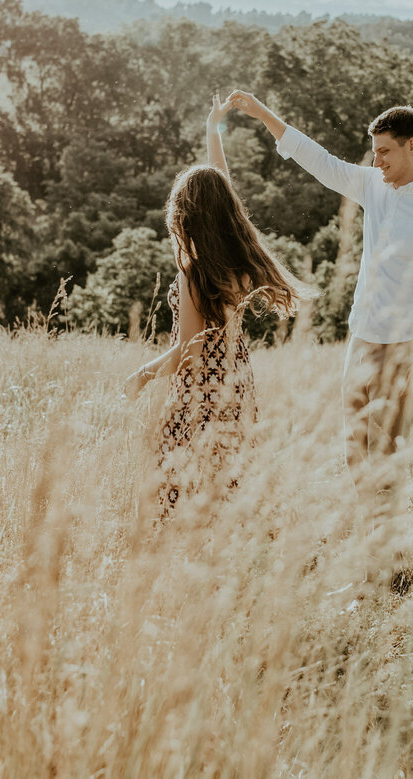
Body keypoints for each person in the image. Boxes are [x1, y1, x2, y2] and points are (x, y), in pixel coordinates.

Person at [225, 91, 413, 517]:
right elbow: (319, 161)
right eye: (374, 153)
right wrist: (264, 114)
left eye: (385, 152)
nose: (377, 162)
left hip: (403, 347)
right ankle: (370, 557)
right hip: (361, 340)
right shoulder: (372, 184)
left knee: (385, 456)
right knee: (356, 451)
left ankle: (384, 570)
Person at [123, 95, 309, 526]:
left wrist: (143, 374)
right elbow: (220, 190)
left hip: (198, 393)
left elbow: (189, 350)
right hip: (235, 384)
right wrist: (213, 130)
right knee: (228, 483)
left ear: (184, 215)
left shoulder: (194, 274)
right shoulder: (234, 258)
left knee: (174, 490)